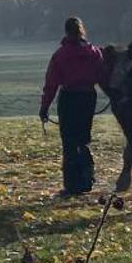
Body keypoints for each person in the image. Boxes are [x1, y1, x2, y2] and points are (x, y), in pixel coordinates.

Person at [40, 15, 107, 196]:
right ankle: (87, 177)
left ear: (66, 31)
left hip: (69, 97)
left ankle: (72, 185)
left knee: (69, 141)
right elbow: (101, 76)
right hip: (88, 97)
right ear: (81, 30)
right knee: (83, 139)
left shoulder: (60, 55)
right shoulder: (94, 52)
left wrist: (44, 107)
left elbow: (51, 83)